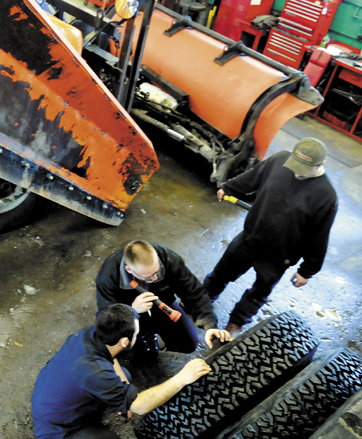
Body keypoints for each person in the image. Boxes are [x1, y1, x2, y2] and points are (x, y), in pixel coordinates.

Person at [203, 137, 338, 337]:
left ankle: (236, 323)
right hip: (250, 237)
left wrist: (307, 271)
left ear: (321, 164)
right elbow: (254, 176)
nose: (296, 172)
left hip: (279, 256)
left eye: (303, 169)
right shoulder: (280, 159)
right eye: (295, 165)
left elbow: (319, 237)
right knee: (221, 273)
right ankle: (202, 301)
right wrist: (229, 187)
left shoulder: (327, 196)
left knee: (258, 293)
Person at [31, 304, 211, 439]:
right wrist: (182, 378)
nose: (138, 336)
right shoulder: (96, 372)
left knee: (125, 375)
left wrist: (123, 393)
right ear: (125, 342)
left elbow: (113, 359)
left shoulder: (90, 334)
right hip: (58, 428)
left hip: (54, 392)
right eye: (136, 334)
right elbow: (140, 406)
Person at [96, 241, 230, 358]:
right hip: (131, 316)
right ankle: (144, 337)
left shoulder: (169, 259)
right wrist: (131, 310)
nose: (154, 279)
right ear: (129, 270)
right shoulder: (108, 276)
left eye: (156, 272)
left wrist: (209, 325)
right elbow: (105, 317)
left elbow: (194, 292)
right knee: (139, 355)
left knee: (188, 344)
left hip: (163, 304)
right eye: (148, 277)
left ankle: (156, 338)